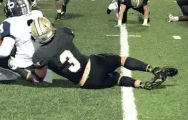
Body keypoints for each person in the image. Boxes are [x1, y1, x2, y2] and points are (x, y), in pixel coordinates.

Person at [29, 16, 178, 90]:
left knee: (117, 78)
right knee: (121, 60)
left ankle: (141, 84)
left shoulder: (40, 54)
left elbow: (40, 76)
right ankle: (153, 69)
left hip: (89, 83)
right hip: (93, 63)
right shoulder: (62, 33)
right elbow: (69, 35)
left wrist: (32, 75)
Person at [0, 0, 52, 83]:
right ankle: (43, 73)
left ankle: (11, 75)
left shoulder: (9, 22)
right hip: (42, 61)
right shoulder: (38, 14)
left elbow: (4, 52)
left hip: (25, 63)